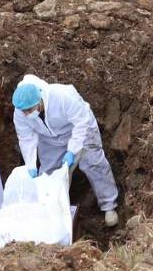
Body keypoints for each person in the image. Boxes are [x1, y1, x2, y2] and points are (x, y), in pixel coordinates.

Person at [11, 75, 119, 227]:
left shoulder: (63, 96)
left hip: (79, 129)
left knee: (93, 164)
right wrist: (30, 166)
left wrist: (72, 150)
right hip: (49, 139)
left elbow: (81, 123)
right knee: (48, 174)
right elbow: (26, 138)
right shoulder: (20, 111)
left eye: (29, 110)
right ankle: (51, 213)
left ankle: (109, 205)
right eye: (23, 111)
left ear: (39, 100)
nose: (26, 114)